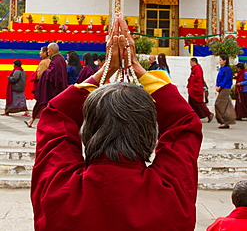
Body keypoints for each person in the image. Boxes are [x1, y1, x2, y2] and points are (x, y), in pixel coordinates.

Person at [31, 13, 202, 231]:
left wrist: (105, 70)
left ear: (87, 131)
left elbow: (55, 115)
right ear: (150, 135)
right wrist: (139, 70)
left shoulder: (59, 189)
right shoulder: (169, 192)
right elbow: (185, 122)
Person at [34, 42, 67, 113]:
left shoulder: (57, 60)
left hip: (56, 87)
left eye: (48, 50)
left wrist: (45, 72)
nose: (47, 51)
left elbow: (54, 74)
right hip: (59, 85)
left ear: (52, 50)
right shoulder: (59, 59)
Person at [24, 46, 51, 128]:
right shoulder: (50, 61)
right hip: (47, 86)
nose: (39, 53)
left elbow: (40, 75)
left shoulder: (43, 62)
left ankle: (32, 121)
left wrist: (34, 74)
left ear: (45, 52)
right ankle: (32, 120)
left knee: (40, 103)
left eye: (41, 51)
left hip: (41, 86)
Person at [187, 58, 214, 122]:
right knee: (192, 104)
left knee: (199, 104)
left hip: (196, 89)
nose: (190, 64)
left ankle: (209, 114)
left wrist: (191, 79)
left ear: (194, 62)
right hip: (192, 89)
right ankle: (193, 116)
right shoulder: (195, 68)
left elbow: (197, 79)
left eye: (191, 62)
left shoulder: (198, 68)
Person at [215, 54, 236, 129]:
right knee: (227, 105)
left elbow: (226, 79)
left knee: (219, 104)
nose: (219, 61)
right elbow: (218, 78)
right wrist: (217, 85)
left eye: (220, 60)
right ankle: (227, 120)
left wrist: (220, 86)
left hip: (225, 88)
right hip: (221, 87)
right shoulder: (221, 68)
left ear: (225, 61)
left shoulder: (227, 69)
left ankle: (224, 121)